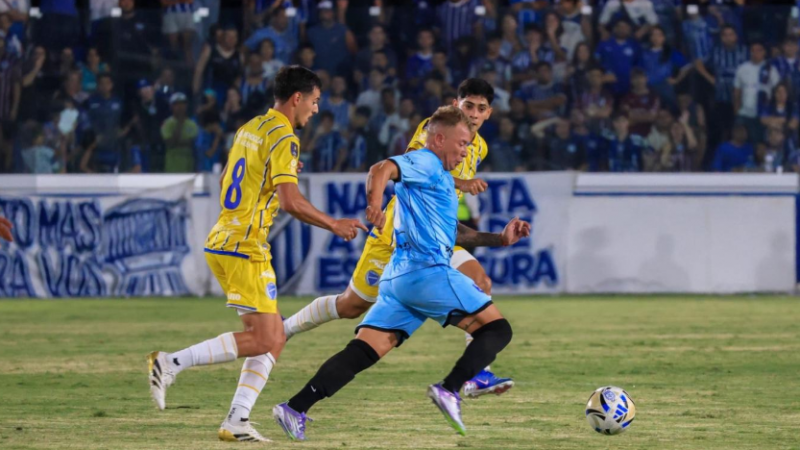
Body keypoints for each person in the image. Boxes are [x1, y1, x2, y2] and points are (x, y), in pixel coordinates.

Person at [273, 106, 531, 440]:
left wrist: (500, 239)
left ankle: (294, 408)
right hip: (426, 272)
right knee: (497, 330)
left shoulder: (437, 176)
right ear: (439, 138)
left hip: (399, 278)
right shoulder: (425, 161)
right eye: (462, 143)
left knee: (364, 351)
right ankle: (451, 389)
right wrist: (375, 205)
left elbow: (453, 233)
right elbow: (381, 168)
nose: (466, 151)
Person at [146, 66, 367, 442]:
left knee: (274, 336)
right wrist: (334, 224)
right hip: (245, 247)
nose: (315, 110)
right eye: (314, 102)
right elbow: (291, 201)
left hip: (223, 238)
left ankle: (237, 419)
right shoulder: (286, 136)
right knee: (266, 338)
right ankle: (170, 362)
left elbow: (225, 180)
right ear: (297, 98)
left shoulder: (249, 128)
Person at [733, 42, 780, 145]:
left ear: (764, 52)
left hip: (763, 115)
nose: (755, 53)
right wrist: (737, 111)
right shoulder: (742, 68)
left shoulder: (771, 70)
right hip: (744, 114)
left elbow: (778, 93)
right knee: (741, 142)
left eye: (759, 50)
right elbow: (737, 92)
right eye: (753, 50)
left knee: (759, 145)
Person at [160, 92, 199, 172]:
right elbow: (170, 143)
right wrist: (179, 124)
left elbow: (191, 143)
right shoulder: (167, 124)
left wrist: (179, 142)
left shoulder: (192, 124)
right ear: (171, 107)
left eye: (182, 104)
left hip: (188, 167)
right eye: (177, 104)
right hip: (171, 167)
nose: (180, 107)